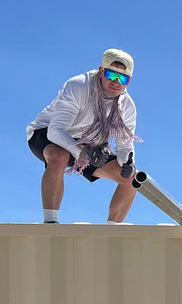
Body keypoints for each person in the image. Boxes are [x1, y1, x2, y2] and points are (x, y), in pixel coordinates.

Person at [27, 49, 140, 224]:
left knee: (131, 179)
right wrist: (83, 154)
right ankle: (50, 223)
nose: (116, 83)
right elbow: (56, 131)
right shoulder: (79, 86)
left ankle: (111, 234)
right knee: (60, 156)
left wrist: (128, 163)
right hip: (47, 133)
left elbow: (125, 147)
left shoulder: (127, 107)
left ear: (129, 81)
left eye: (123, 79)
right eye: (112, 75)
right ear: (101, 71)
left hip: (88, 145)